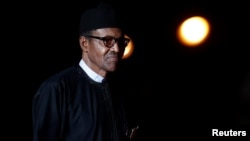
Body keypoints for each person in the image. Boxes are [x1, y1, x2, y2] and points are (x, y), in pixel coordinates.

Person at [32, 2, 138, 141]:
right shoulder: (57, 89)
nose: (117, 49)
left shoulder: (122, 89)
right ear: (84, 43)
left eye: (121, 42)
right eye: (107, 41)